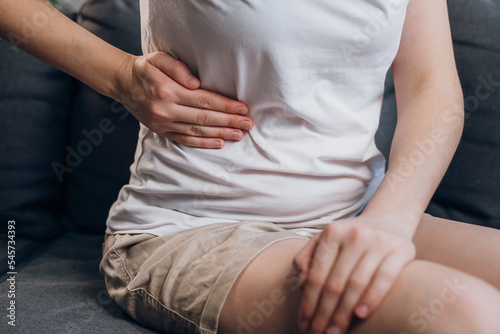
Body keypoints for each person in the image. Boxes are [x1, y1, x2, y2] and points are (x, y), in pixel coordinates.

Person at [2, 0, 500, 334]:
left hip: (359, 213)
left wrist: (389, 220)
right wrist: (119, 77)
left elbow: (431, 84)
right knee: (466, 315)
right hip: (189, 228)